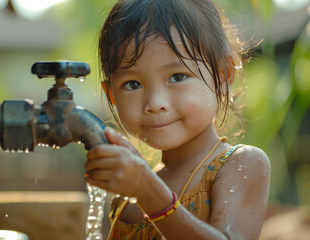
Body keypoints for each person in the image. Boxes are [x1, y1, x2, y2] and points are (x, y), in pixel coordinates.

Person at [84, 0, 271, 239]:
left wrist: (149, 193)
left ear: (223, 76)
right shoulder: (126, 197)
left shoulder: (241, 165)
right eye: (133, 84)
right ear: (111, 94)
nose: (154, 102)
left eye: (177, 76)